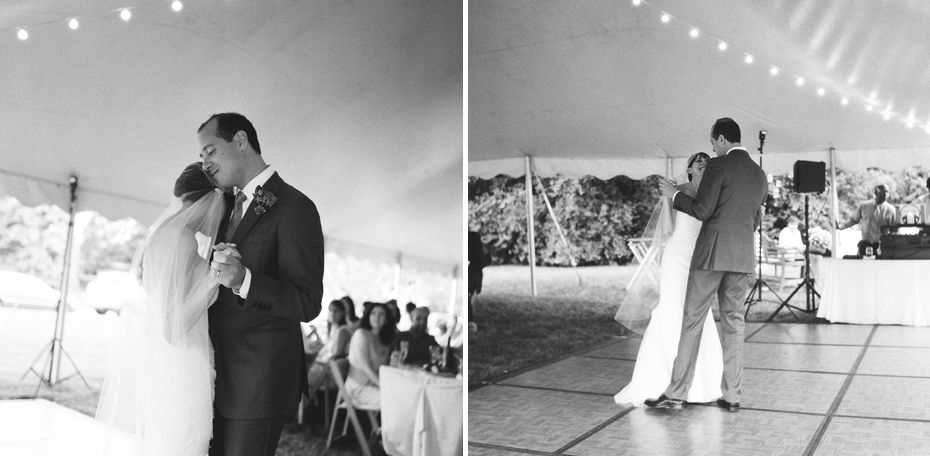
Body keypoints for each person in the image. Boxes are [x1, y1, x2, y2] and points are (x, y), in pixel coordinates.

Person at [200, 112, 324, 455]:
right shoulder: (223, 206)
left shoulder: (296, 208)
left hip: (258, 382)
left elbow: (308, 301)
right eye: (201, 157)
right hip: (211, 374)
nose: (205, 164)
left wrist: (244, 280)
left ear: (240, 140)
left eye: (210, 151)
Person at [96, 163, 225, 454]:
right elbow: (171, 328)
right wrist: (211, 281)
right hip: (183, 367)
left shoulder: (160, 235)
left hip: (166, 366)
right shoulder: (184, 240)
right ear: (209, 199)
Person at [648, 117, 768, 412]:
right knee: (734, 325)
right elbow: (755, 219)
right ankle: (732, 396)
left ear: (724, 140)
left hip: (711, 257)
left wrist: (674, 195)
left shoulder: (718, 166)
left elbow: (702, 209)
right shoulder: (759, 174)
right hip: (741, 258)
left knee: (692, 322)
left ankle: (676, 394)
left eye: (713, 142)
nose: (712, 148)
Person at [614, 152, 723, 406]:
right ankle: (660, 380)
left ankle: (700, 385)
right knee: (672, 310)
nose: (703, 162)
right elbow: (667, 228)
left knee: (699, 314)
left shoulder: (713, 195)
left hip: (700, 259)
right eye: (698, 160)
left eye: (707, 160)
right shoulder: (677, 192)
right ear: (689, 168)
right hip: (677, 258)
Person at [346, 302, 396, 409]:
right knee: (395, 400)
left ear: (386, 320)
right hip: (358, 388)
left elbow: (384, 368)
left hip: (374, 385)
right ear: (368, 316)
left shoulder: (384, 341)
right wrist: (384, 387)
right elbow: (366, 368)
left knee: (404, 395)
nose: (376, 317)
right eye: (373, 313)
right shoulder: (361, 334)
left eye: (381, 314)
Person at [306, 299, 355, 393]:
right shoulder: (333, 329)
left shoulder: (343, 330)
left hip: (332, 368)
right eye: (330, 310)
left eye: (335, 311)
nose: (332, 313)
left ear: (342, 313)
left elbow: (337, 354)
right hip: (324, 365)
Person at [837, 184, 895, 256]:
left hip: (882, 245)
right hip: (865, 244)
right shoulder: (864, 206)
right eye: (882, 192)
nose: (885, 194)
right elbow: (854, 219)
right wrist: (841, 226)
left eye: (887, 192)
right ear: (875, 193)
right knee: (862, 265)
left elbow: (895, 230)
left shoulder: (891, 210)